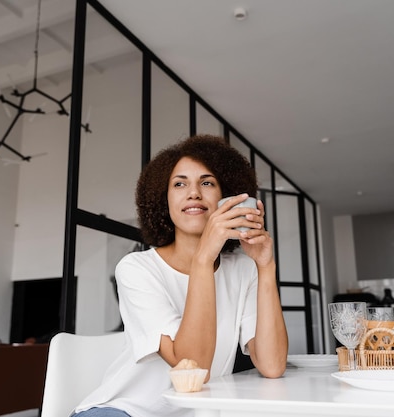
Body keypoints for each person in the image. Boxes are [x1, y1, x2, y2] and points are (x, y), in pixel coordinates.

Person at [72, 134, 288, 417]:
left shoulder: (243, 270)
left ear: (227, 198)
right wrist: (203, 259)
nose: (194, 192)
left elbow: (272, 366)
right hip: (125, 411)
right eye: (179, 183)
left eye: (207, 182)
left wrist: (265, 266)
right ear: (164, 200)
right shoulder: (136, 268)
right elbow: (193, 366)